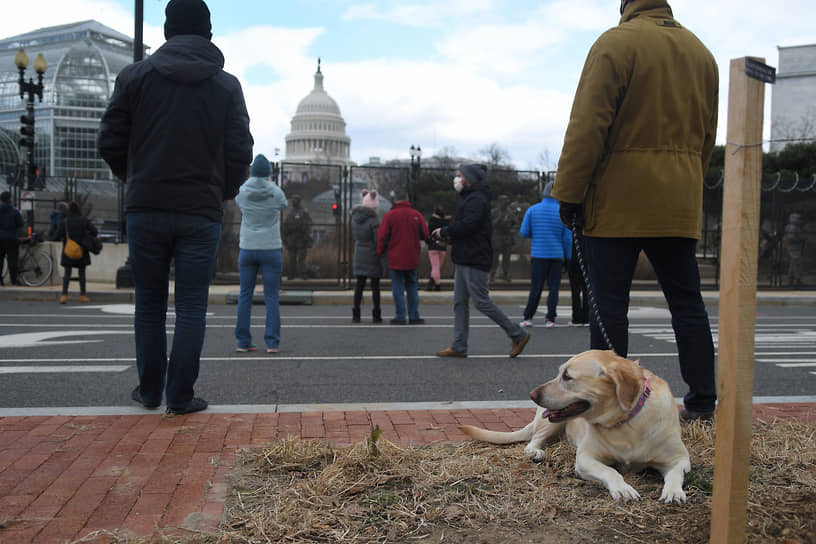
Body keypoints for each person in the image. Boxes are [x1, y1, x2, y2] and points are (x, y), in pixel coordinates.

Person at [551, 0, 719, 423]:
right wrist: (687, 180)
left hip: (617, 196)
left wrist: (568, 193)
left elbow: (587, 125)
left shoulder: (615, 44)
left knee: (609, 306)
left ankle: (610, 406)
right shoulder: (701, 52)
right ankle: (701, 401)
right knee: (687, 304)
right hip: (678, 197)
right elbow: (707, 134)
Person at [97, 0, 253, 415]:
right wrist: (221, 189)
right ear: (208, 34)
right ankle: (179, 395)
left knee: (148, 303)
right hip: (199, 210)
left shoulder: (134, 77)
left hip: (146, 206)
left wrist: (136, 178)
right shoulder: (225, 86)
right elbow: (241, 151)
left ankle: (149, 391)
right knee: (191, 306)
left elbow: (110, 140)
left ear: (166, 32)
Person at [432, 164, 531, 358]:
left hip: (474, 257)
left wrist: (445, 231)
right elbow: (468, 227)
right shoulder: (471, 198)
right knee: (460, 303)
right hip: (465, 256)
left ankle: (517, 334)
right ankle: (459, 345)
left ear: (468, 179)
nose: (456, 179)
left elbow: (468, 225)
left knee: (481, 301)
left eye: (459, 175)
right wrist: (449, 234)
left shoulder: (476, 199)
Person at [234, 154, 288, 353]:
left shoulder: (243, 191)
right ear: (268, 174)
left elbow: (238, 200)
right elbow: (284, 204)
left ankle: (242, 341)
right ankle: (272, 342)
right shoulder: (275, 191)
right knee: (271, 296)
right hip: (271, 248)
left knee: (245, 295)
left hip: (247, 247)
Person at [519, 181, 572, 328]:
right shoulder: (561, 212)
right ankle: (550, 319)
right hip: (556, 256)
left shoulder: (532, 210)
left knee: (536, 288)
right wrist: (568, 258)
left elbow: (524, 232)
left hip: (538, 255)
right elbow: (567, 239)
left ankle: (528, 317)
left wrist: (536, 234)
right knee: (554, 289)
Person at [376, 190, 429, 325]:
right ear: (407, 200)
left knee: (397, 287)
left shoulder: (390, 216)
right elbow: (425, 234)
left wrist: (379, 251)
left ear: (395, 201)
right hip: (412, 256)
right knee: (412, 285)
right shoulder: (416, 214)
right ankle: (414, 316)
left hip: (395, 257)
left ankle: (400, 316)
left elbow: (382, 236)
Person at [53, 200, 97, 303]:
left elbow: (56, 236)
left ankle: (64, 295)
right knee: (82, 274)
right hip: (82, 251)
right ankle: (83, 296)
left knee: (67, 274)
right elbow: (94, 231)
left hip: (68, 251)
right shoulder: (84, 220)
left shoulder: (65, 222)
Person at [351, 189, 384, 323]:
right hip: (372, 254)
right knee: (375, 286)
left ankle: (356, 313)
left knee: (359, 285)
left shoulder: (354, 219)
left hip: (359, 252)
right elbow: (378, 239)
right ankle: (376, 314)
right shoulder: (374, 220)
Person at [282, 194, 312, 279]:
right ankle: (291, 275)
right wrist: (285, 238)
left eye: (295, 200)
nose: (293, 202)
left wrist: (306, 237)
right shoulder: (290, 213)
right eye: (292, 200)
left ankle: (303, 276)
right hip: (291, 240)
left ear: (299, 201)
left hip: (301, 239)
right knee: (291, 259)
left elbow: (308, 225)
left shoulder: (304, 212)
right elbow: (285, 226)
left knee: (301, 259)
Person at [489, 195, 519, 282]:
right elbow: (490, 224)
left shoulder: (510, 213)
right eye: (503, 201)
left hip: (507, 236)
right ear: (499, 202)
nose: (505, 203)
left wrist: (512, 229)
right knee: (495, 257)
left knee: (506, 257)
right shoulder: (494, 212)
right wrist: (498, 219)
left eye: (506, 202)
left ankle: (505, 274)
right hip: (497, 235)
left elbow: (516, 223)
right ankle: (492, 273)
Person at [0, 191, 24, 286]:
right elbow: (20, 223)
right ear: (9, 199)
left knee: (0, 260)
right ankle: (13, 280)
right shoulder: (14, 210)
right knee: (12, 260)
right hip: (11, 238)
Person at [566, 233, 590, 326]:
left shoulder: (571, 225)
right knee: (587, 289)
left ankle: (576, 317)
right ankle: (586, 317)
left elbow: (567, 241)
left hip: (574, 258)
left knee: (575, 290)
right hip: (587, 258)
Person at [426, 206, 450, 291]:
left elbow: (428, 233)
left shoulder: (432, 220)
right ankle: (430, 284)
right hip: (443, 247)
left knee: (435, 267)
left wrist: (428, 242)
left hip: (433, 247)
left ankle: (437, 285)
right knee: (437, 267)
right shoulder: (446, 221)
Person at [783, 213, 804, 286]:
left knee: (793, 263)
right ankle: (797, 279)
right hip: (794, 248)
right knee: (797, 263)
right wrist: (800, 239)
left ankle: (790, 278)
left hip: (794, 247)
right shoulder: (792, 227)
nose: (800, 220)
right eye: (798, 219)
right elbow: (791, 238)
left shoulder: (792, 226)